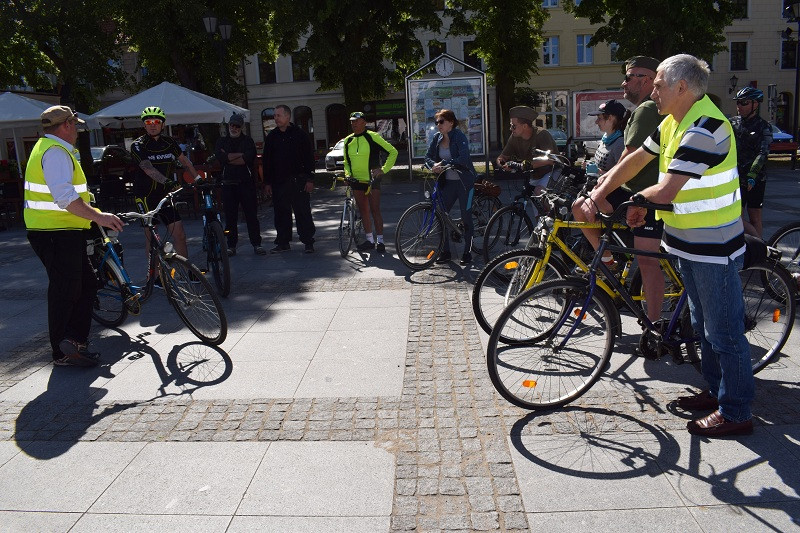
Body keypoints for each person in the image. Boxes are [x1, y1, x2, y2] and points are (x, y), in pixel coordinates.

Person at [603, 54, 753, 438]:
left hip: (713, 247)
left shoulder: (706, 127)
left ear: (681, 87)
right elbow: (638, 159)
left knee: (724, 332)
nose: (652, 92)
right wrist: (600, 189)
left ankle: (736, 411)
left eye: (658, 85)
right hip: (687, 244)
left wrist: (635, 201)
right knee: (704, 327)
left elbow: (668, 188)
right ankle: (716, 392)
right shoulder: (673, 121)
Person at [24, 106, 124, 367]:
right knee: (64, 291)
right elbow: (65, 198)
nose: (78, 130)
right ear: (66, 125)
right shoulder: (56, 152)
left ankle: (75, 341)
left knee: (87, 285)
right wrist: (99, 217)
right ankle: (62, 351)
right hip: (55, 232)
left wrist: (93, 215)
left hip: (62, 230)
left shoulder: (49, 148)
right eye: (75, 125)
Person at [575, 55, 667, 323]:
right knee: (647, 261)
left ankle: (611, 263)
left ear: (647, 79)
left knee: (582, 207)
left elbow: (630, 158)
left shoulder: (646, 110)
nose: (623, 83)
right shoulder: (649, 109)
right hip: (642, 193)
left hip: (643, 195)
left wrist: (600, 190)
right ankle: (613, 259)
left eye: (628, 77)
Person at [130, 106, 202, 260]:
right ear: (144, 125)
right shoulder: (138, 145)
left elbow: (185, 161)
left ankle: (186, 270)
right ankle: (154, 273)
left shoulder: (169, 142)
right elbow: (147, 168)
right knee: (152, 237)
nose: (152, 125)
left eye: (156, 122)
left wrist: (198, 179)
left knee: (180, 234)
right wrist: (168, 182)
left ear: (163, 124)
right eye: (148, 122)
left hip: (164, 195)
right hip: (145, 196)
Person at [571, 99, 630, 270]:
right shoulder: (606, 139)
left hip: (615, 194)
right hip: (603, 190)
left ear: (611, 118)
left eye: (600, 118)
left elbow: (623, 174)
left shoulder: (619, 143)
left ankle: (607, 257)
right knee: (577, 206)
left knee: (581, 209)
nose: (596, 121)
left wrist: (598, 172)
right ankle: (605, 257)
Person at [424, 109, 478, 265]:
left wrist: (445, 163)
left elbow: (463, 158)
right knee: (441, 215)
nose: (438, 125)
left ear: (451, 122)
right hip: (447, 183)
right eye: (437, 122)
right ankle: (445, 251)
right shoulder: (437, 138)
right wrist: (433, 165)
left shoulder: (459, 136)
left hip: (464, 182)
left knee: (466, 216)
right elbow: (427, 157)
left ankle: (467, 252)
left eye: (441, 121)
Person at [262, 105, 316, 253]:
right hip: (279, 182)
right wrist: (267, 182)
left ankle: (308, 241)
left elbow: (309, 158)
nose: (276, 118)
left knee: (303, 212)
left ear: (287, 116)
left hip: (299, 181)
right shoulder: (272, 137)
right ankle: (283, 242)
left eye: (278, 115)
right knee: (281, 213)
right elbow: (267, 161)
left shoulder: (300, 134)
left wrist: (310, 179)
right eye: (274, 116)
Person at [342, 111, 398, 252]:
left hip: (372, 180)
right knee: (364, 211)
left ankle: (381, 241)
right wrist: (348, 174)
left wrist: (383, 170)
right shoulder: (348, 140)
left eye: (356, 121)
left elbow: (393, 152)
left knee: (375, 210)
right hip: (356, 180)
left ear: (364, 122)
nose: (353, 124)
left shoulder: (373, 136)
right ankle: (369, 240)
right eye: (352, 121)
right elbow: (346, 162)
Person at [214, 113, 265, 256]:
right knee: (230, 217)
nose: (234, 128)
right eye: (232, 125)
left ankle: (257, 244)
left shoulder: (248, 141)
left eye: (237, 126)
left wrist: (229, 157)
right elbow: (222, 158)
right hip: (228, 184)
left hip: (246, 184)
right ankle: (231, 245)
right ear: (228, 125)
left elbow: (247, 159)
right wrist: (239, 155)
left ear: (241, 127)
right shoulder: (222, 141)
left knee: (251, 216)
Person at [730, 87, 772, 238]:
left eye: (744, 103)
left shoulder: (763, 126)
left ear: (755, 104)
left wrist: (752, 174)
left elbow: (763, 153)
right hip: (736, 176)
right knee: (736, 216)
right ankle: (741, 244)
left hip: (755, 179)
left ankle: (759, 247)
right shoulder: (732, 123)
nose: (739, 106)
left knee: (755, 217)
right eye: (738, 103)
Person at [493, 106, 559, 185]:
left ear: (524, 126)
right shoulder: (514, 137)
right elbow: (503, 156)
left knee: (538, 191)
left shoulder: (542, 134)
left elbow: (551, 160)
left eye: (513, 126)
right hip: (535, 175)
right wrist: (502, 164)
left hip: (552, 172)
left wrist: (523, 166)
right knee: (527, 191)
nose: (511, 129)